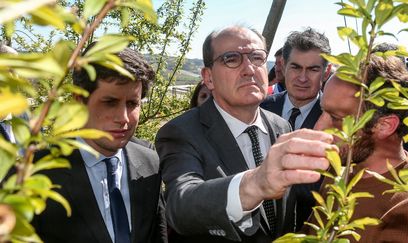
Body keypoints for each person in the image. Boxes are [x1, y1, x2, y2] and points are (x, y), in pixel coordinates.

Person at [155, 25, 334, 243]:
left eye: (257, 57)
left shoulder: (282, 127)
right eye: (231, 59)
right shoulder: (180, 132)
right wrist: (255, 184)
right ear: (208, 77)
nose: (249, 69)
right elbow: (180, 207)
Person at [32, 44, 167, 243]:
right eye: (110, 102)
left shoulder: (150, 162)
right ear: (79, 101)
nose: (124, 118)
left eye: (132, 104)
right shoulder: (39, 171)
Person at [310, 55, 408, 242]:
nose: (318, 128)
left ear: (384, 126)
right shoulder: (338, 174)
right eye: (322, 111)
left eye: (336, 118)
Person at [260, 27, 331, 232]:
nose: (302, 77)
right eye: (296, 67)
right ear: (282, 66)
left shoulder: (336, 122)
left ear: (326, 71)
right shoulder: (260, 108)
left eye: (313, 69)